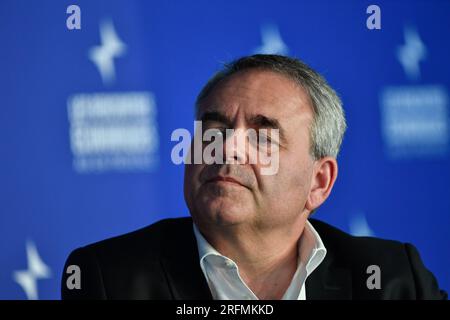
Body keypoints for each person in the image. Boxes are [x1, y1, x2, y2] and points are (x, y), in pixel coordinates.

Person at [61, 54, 447, 300]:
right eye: (213, 131)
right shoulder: (109, 278)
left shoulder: (391, 278)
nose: (227, 149)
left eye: (262, 137)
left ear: (318, 182)